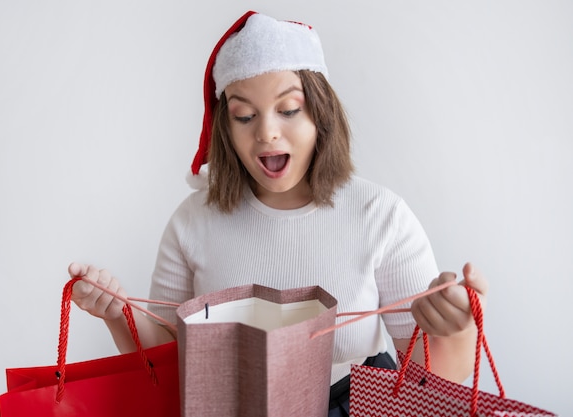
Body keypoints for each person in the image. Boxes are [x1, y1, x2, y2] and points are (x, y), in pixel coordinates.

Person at [69, 11, 488, 416]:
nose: (266, 131)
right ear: (225, 127)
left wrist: (455, 328)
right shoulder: (191, 221)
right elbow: (166, 365)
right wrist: (116, 312)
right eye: (244, 115)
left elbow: (430, 386)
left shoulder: (381, 215)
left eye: (288, 109)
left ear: (320, 115)